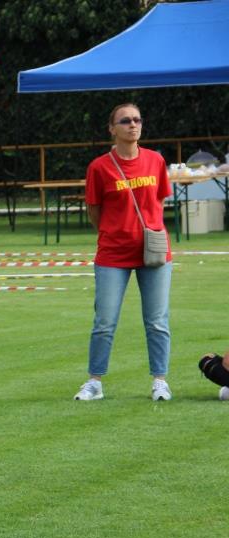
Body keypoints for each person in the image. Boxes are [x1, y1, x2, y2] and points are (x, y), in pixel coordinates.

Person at [74, 103, 172, 402]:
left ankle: (160, 381)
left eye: (137, 119)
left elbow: (160, 201)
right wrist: (114, 231)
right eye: (126, 120)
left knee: (157, 321)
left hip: (153, 252)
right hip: (113, 254)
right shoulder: (99, 167)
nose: (133, 125)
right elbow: (94, 209)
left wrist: (149, 229)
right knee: (104, 322)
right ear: (112, 129)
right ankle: (94, 382)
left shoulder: (155, 160)